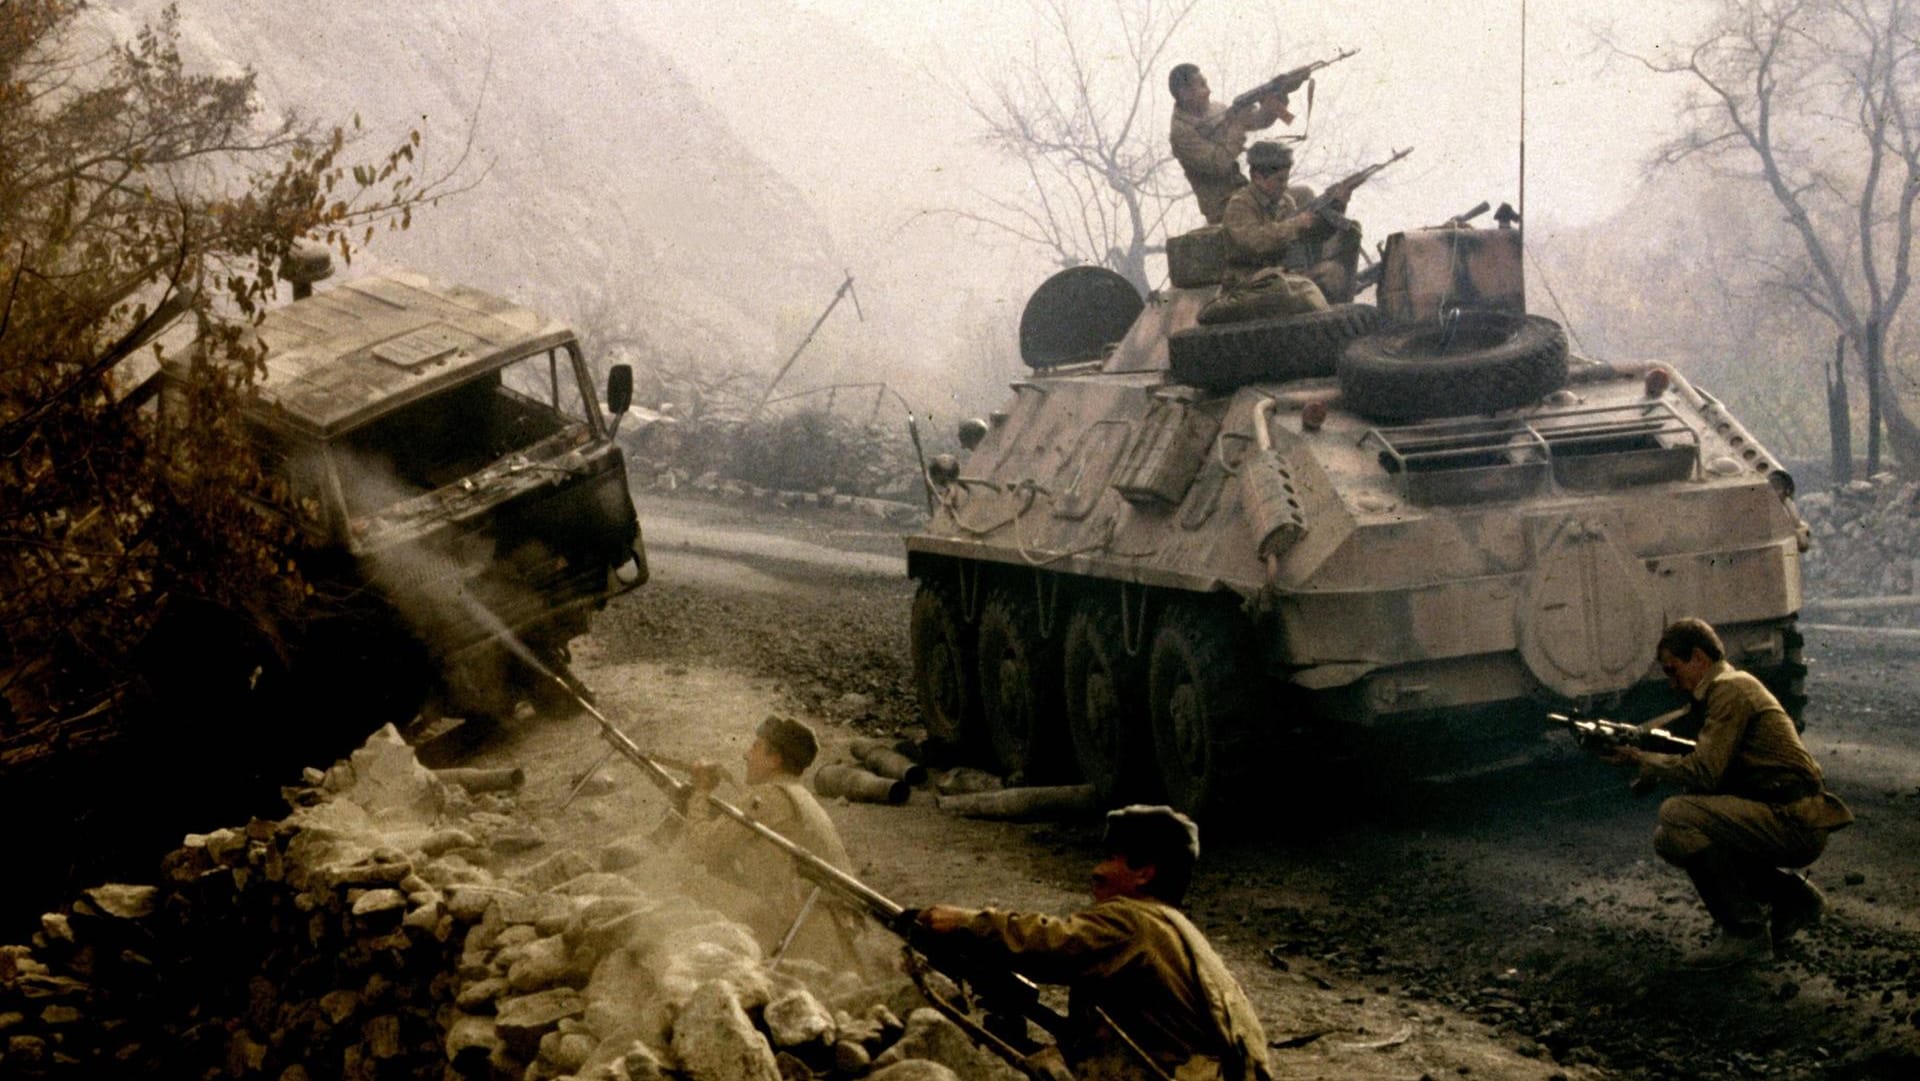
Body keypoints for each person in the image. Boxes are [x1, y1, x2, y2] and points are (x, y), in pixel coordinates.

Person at [916, 805, 1272, 1081]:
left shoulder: (1132, 921)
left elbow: (1049, 944)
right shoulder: (1176, 929)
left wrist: (966, 923)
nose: (1095, 871)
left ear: (1144, 873)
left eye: (1110, 858)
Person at [1603, 618, 1854, 970]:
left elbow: (1704, 771)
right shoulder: (1723, 690)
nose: (1673, 683)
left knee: (1677, 816)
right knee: (1669, 838)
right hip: (1785, 814)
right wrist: (1636, 745)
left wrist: (1642, 759)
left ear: (1699, 659)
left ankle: (1745, 934)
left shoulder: (1729, 690)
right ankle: (1791, 898)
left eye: (1674, 671)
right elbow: (1676, 733)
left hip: (1795, 820)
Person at [681, 715, 867, 973]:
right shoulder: (796, 794)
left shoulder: (768, 795)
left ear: (774, 759)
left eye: (755, 747)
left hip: (805, 932)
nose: (746, 755)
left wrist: (699, 793)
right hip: (831, 927)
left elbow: (701, 849)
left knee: (690, 887)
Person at [1218, 140, 1361, 306]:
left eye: (1286, 179)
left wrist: (1337, 205)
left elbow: (1310, 237)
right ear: (1257, 178)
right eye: (1279, 180)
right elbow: (1254, 242)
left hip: (1283, 275)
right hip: (1250, 282)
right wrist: (1296, 224)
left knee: (1336, 266)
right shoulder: (1240, 204)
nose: (1284, 185)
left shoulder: (1284, 201)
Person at [1169, 63, 1287, 225]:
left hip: (1244, 191)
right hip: (1223, 206)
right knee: (1290, 205)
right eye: (1202, 86)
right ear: (1185, 93)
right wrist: (1238, 126)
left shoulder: (1216, 110)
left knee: (1302, 196)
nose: (1208, 91)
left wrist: (1275, 101)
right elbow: (1219, 163)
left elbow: (1257, 121)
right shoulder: (1181, 132)